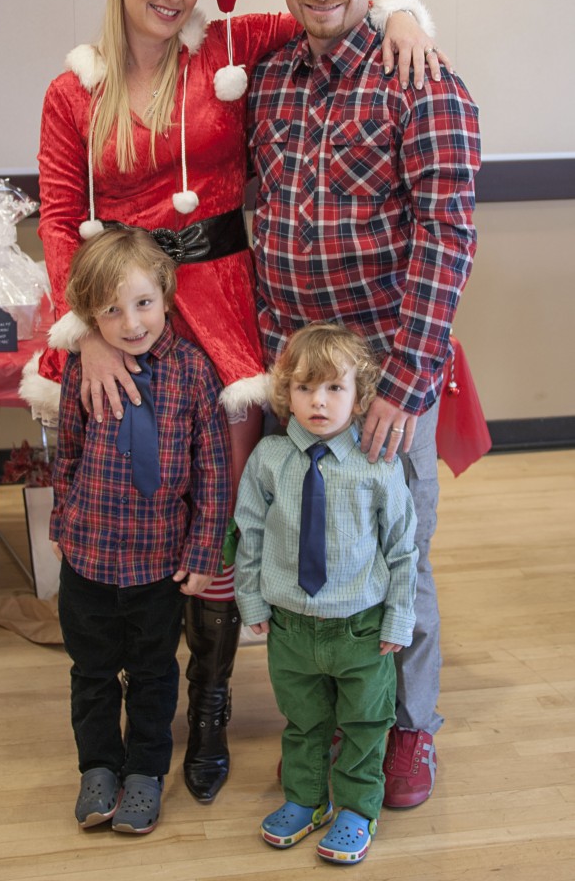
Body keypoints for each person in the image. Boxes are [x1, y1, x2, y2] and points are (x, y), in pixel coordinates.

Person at [20, 0, 449, 802]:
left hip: (221, 309)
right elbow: (60, 214)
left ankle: (211, 699)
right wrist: (82, 330)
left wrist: (409, 10)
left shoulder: (230, 44)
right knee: (129, 500)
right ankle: (126, 701)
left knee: (220, 505)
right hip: (115, 316)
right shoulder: (73, 90)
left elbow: (327, 5)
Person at [247, 0, 481, 811]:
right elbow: (260, 216)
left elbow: (447, 239)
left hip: (386, 380)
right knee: (310, 550)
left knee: (394, 558)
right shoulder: (270, 80)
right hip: (294, 378)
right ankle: (337, 718)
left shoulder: (422, 80)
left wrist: (407, 387)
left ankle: (410, 729)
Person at [52, 225, 231, 834]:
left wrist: (206, 549)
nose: (131, 323)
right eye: (111, 310)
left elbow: (213, 472)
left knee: (153, 674)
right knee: (93, 672)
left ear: (166, 293)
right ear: (89, 317)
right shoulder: (86, 372)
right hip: (89, 561)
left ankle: (146, 771)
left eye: (143, 303)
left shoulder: (193, 376)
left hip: (158, 564)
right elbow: (68, 454)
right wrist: (60, 520)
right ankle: (98, 766)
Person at [234, 323, 418, 864]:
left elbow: (403, 550)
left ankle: (358, 808)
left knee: (364, 724)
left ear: (360, 396)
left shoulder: (378, 465)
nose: (318, 401)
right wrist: (251, 600)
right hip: (291, 626)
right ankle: (306, 800)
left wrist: (398, 620)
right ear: (284, 395)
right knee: (304, 721)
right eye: (305, 388)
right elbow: (250, 533)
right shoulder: (269, 459)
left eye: (335, 388)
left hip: (360, 627)